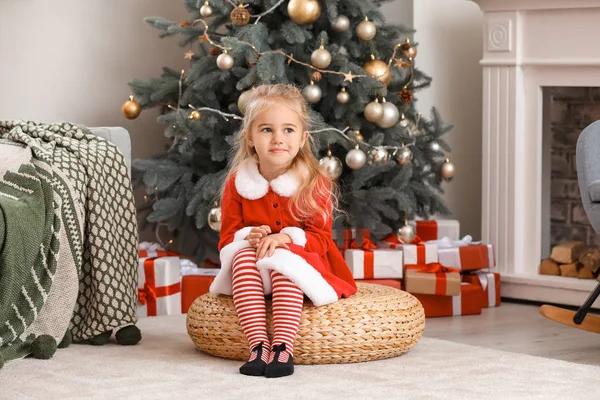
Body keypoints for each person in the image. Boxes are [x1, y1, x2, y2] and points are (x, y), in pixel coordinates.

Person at [209, 84, 357, 378]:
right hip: (253, 269)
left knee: (283, 260)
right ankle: (258, 347)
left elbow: (320, 240)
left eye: (288, 130)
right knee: (240, 257)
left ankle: (282, 347)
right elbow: (227, 238)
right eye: (266, 130)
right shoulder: (238, 182)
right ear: (250, 138)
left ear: (303, 138)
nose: (278, 139)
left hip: (303, 267)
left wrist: (287, 238)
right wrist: (246, 238)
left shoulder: (313, 182)